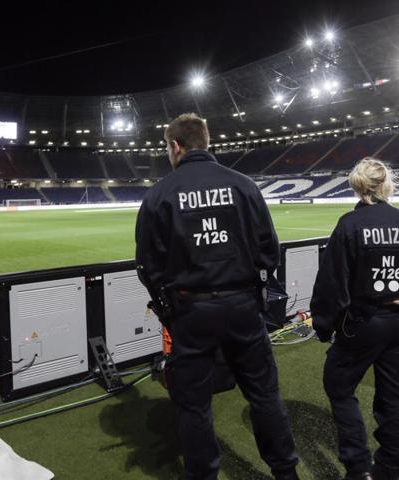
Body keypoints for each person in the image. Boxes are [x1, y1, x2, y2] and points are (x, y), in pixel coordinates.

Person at [135, 113, 299, 480]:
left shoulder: (160, 194)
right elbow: (269, 251)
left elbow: (148, 266)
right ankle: (286, 473)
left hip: (190, 312)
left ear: (175, 146)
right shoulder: (243, 186)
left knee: (194, 407)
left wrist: (170, 314)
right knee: (264, 395)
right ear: (206, 142)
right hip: (243, 306)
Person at [310, 158, 399, 480]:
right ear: (387, 185)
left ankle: (358, 468)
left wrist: (323, 326)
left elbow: (331, 284)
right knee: (392, 399)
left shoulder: (349, 225)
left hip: (360, 324)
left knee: (340, 388)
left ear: (356, 186)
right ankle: (390, 467)